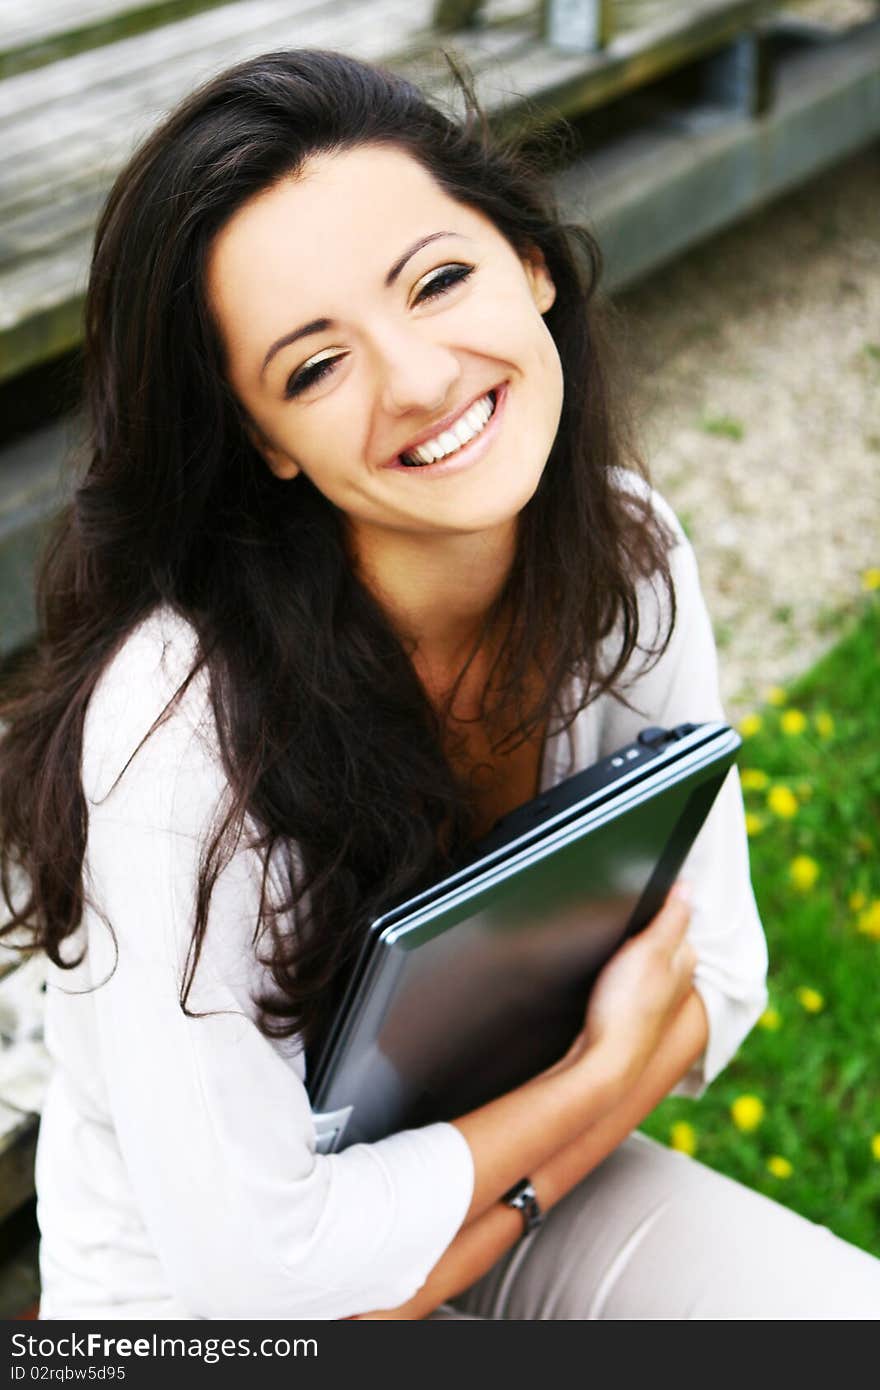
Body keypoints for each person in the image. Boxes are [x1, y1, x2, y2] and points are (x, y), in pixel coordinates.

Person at [1, 48, 878, 1322]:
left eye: (439, 280)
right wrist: (596, 1078)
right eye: (314, 367)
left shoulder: (622, 553)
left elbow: (722, 973)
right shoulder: (176, 725)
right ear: (265, 443)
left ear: (528, 260)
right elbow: (255, 1280)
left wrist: (483, 1223)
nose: (416, 379)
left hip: (491, 1179)